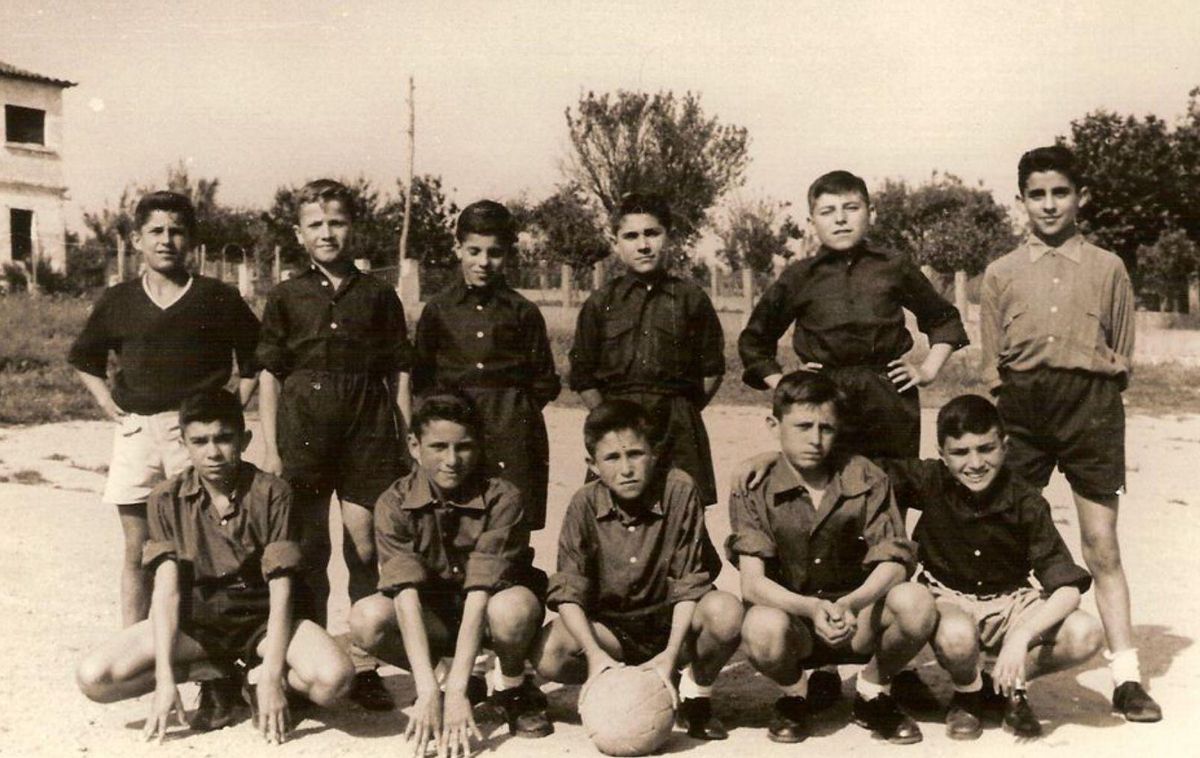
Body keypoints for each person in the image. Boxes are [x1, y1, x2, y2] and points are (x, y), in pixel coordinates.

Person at [980, 145, 1161, 722]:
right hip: (1023, 410)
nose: (1050, 204)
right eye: (1038, 194)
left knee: (1100, 544)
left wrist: (1092, 395)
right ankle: (1006, 677)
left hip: (1091, 407)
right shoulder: (1001, 272)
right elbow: (992, 363)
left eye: (1061, 192)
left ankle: (1127, 676)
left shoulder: (1108, 267)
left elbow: (1122, 352)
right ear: (1022, 201)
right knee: (1012, 540)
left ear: (1080, 198)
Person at [75, 389, 354, 745]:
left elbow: (282, 586)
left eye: (224, 439)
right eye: (200, 441)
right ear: (185, 444)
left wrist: (270, 676)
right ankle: (216, 674)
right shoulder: (165, 497)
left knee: (336, 680)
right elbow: (166, 589)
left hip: (260, 623)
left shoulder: (273, 493)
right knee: (95, 678)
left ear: (244, 439)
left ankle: (255, 678)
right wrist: (164, 680)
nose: (213, 452)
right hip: (199, 624)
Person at [68, 190, 260, 630]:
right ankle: (134, 647)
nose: (166, 240)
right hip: (137, 433)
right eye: (156, 231)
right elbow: (85, 359)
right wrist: (108, 406)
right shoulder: (119, 299)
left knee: (205, 541)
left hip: (192, 436)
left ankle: (212, 661)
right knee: (138, 547)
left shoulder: (217, 296)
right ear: (136, 239)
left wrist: (230, 407)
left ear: (191, 240)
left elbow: (256, 358)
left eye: (177, 231)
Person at [256, 178, 411, 711]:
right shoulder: (285, 296)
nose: (328, 233)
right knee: (308, 550)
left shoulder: (378, 294)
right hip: (303, 429)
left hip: (367, 427)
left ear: (354, 228)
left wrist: (403, 433)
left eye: (337, 223)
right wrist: (274, 447)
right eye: (316, 225)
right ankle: (314, 655)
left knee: (365, 542)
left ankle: (365, 662)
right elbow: (270, 374)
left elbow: (399, 370)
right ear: (300, 234)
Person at [729, 371, 936, 745]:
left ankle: (872, 692)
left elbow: (894, 562)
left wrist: (851, 603)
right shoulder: (754, 483)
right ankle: (796, 695)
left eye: (826, 428)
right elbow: (752, 582)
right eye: (803, 426)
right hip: (795, 622)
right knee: (760, 627)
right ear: (773, 424)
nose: (815, 439)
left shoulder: (865, 476)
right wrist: (809, 609)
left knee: (916, 602)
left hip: (855, 619)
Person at [884, 394, 1103, 739]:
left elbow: (1067, 588)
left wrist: (1022, 635)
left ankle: (1007, 686)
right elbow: (859, 468)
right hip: (946, 597)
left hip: (1009, 600)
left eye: (986, 449)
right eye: (960, 453)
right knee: (957, 637)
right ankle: (968, 694)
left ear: (1005, 447)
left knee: (1085, 633)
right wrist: (772, 459)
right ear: (942, 454)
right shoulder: (929, 479)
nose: (975, 463)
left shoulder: (1025, 500)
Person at [349, 393, 552, 756]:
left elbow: (482, 590)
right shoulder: (393, 502)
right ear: (414, 445)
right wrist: (431, 689)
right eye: (438, 447)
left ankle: (512, 687)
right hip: (437, 619)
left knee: (513, 608)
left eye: (465, 447)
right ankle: (444, 678)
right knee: (366, 618)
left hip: (490, 615)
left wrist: (458, 691)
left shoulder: (504, 497)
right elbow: (405, 595)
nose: (452, 460)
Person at [533, 399, 742, 740]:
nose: (626, 468)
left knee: (727, 612)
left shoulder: (679, 489)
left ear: (655, 453)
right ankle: (614, 676)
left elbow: (689, 582)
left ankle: (695, 694)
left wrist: (671, 656)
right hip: (614, 629)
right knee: (549, 655)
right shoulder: (583, 503)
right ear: (593, 464)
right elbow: (568, 590)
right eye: (612, 458)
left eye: (635, 454)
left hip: (671, 619)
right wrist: (597, 655)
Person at [737, 169, 968, 462]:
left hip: (888, 396)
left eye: (851, 208)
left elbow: (943, 318)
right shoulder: (799, 276)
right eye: (827, 211)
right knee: (829, 489)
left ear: (870, 213)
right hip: (822, 397)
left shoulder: (893, 266)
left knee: (891, 488)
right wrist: (783, 383)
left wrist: (926, 371)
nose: (840, 219)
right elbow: (754, 341)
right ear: (812, 222)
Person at [568, 192, 725, 506]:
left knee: (683, 511)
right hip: (618, 422)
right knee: (612, 516)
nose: (643, 245)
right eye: (631, 236)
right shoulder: (602, 302)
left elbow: (711, 370)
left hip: (677, 424)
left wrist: (683, 410)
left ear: (668, 237)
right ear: (617, 243)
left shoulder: (690, 298)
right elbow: (583, 375)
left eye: (652, 233)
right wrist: (609, 420)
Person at [413, 200, 559, 530]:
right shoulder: (438, 310)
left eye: (494, 253)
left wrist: (512, 410)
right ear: (458, 248)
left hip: (511, 427)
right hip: (456, 427)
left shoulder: (523, 311)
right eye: (474, 251)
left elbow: (544, 381)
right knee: (454, 518)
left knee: (510, 517)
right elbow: (422, 377)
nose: (484, 262)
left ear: (508, 253)